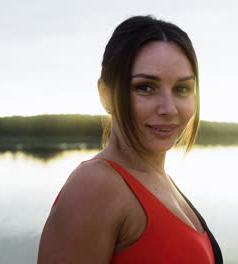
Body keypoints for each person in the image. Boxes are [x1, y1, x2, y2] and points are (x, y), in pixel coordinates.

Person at [37, 15, 223, 264]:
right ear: (106, 94)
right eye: (145, 87)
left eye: (182, 89)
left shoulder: (161, 181)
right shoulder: (95, 186)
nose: (169, 108)